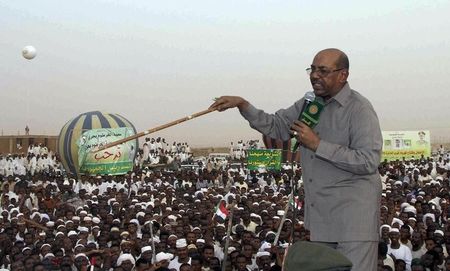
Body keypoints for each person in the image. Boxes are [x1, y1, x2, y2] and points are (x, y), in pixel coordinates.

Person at [211, 48, 382, 270]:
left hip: (353, 222)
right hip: (321, 219)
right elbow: (276, 126)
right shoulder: (310, 104)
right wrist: (243, 105)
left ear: (343, 75)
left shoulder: (359, 109)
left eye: (323, 70)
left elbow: (368, 160)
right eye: (312, 69)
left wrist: (317, 145)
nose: (314, 76)